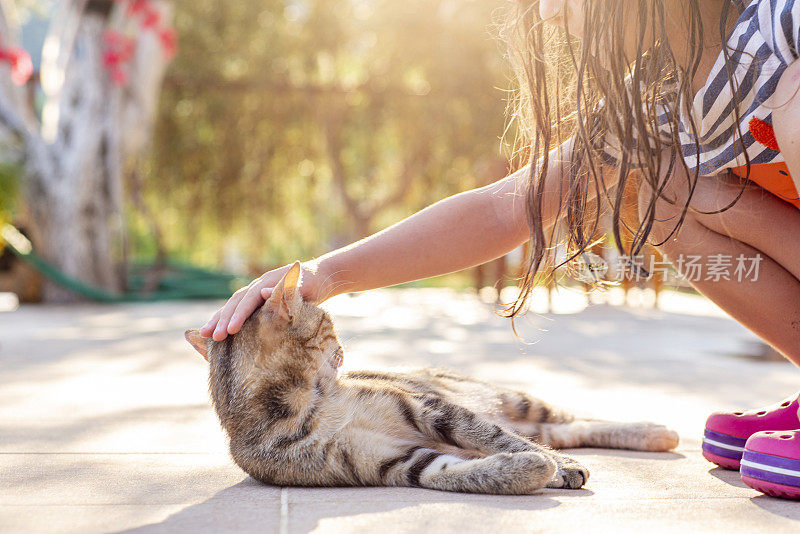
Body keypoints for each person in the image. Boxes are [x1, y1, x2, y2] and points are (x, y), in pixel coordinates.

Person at [201, 0, 800, 499]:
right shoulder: (653, 98)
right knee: (662, 188)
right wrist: (324, 275)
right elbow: (505, 208)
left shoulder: (780, 25)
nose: (544, 13)